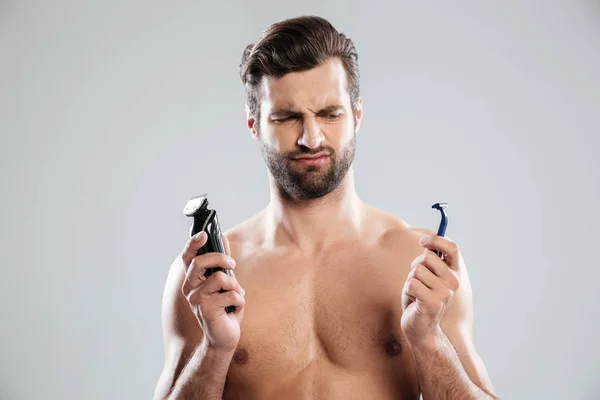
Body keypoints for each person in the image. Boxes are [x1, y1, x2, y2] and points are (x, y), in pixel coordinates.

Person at [153, 15, 499, 400]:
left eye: (329, 114)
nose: (311, 137)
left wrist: (429, 340)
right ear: (254, 125)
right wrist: (214, 351)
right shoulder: (207, 276)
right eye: (286, 117)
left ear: (357, 117)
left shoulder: (421, 262)